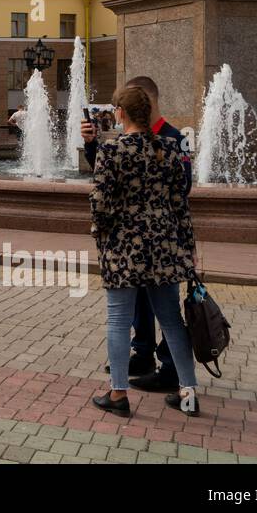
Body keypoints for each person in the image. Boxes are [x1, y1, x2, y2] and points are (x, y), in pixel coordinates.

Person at [89, 85, 201, 418]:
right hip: (165, 247)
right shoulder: (169, 148)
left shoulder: (111, 152)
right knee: (171, 320)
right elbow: (181, 204)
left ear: (120, 113)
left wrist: (103, 238)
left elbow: (99, 205)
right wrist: (189, 248)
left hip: (124, 248)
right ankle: (188, 392)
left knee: (119, 321)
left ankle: (119, 394)